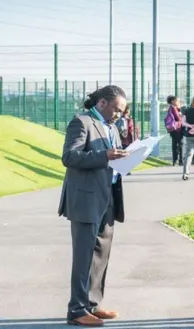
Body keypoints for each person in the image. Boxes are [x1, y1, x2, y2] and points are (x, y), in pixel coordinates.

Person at [58, 85, 128, 327]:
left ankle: (93, 304)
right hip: (86, 200)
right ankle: (77, 309)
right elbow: (69, 157)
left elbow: (113, 157)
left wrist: (126, 159)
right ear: (102, 104)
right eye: (117, 110)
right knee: (84, 256)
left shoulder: (112, 127)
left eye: (122, 111)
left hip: (108, 197)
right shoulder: (82, 122)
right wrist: (105, 156)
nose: (119, 115)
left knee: (101, 255)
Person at [166, 95, 183, 166]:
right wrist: (180, 114)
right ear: (173, 101)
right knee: (179, 144)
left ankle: (175, 160)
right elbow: (178, 118)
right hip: (177, 129)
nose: (178, 102)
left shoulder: (171, 108)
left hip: (173, 129)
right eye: (177, 101)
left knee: (175, 144)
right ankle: (180, 160)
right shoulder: (173, 108)